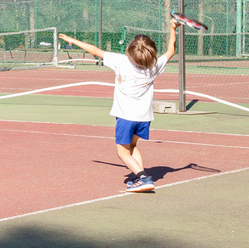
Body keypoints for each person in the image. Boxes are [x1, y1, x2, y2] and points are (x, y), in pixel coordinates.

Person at [59, 17, 180, 192]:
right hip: (144, 118)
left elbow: (95, 50)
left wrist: (72, 41)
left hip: (126, 118)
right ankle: (140, 175)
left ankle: (144, 178)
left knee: (122, 152)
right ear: (152, 52)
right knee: (133, 146)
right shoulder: (155, 66)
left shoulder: (121, 62)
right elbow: (170, 51)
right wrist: (172, 29)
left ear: (130, 51)